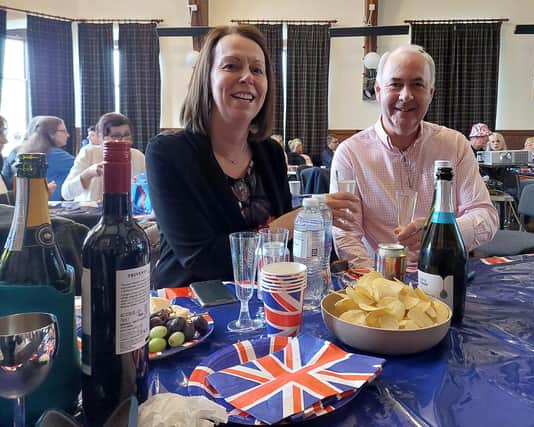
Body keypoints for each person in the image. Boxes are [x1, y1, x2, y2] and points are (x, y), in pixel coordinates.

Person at [146, 25, 293, 288]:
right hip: (190, 309)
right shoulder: (168, 153)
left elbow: (284, 252)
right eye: (231, 66)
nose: (247, 77)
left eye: (257, 70)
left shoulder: (270, 152)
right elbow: (201, 259)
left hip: (262, 299)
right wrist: (282, 229)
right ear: (207, 78)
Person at [328, 45, 499, 268]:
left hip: (445, 273)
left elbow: (485, 217)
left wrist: (440, 233)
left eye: (417, 84)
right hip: (377, 279)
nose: (406, 95)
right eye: (396, 84)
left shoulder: (455, 145)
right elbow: (347, 234)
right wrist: (377, 284)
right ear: (378, 91)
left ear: (431, 93)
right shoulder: (350, 154)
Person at [61, 112, 146, 202]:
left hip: (126, 211)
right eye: (116, 136)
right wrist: (88, 173)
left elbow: (146, 192)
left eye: (127, 135)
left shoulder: (137, 156)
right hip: (90, 213)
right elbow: (66, 194)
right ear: (99, 136)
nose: (123, 141)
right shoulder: (88, 153)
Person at [18, 116, 74, 201]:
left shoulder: (31, 153)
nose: (68, 135)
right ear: (51, 134)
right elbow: (84, 166)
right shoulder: (55, 155)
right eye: (63, 131)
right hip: (54, 206)